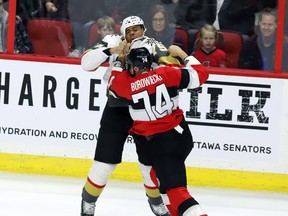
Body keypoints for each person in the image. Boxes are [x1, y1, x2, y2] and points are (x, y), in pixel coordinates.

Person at [80, 15, 180, 216]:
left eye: (138, 28)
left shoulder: (153, 44)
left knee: (149, 164)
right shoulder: (112, 40)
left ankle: (156, 202)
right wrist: (112, 51)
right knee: (104, 163)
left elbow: (171, 66)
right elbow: (86, 63)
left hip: (144, 110)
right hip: (117, 108)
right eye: (129, 29)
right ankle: (88, 202)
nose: (134, 32)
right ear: (123, 33)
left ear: (144, 30)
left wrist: (157, 62)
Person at [107, 45, 209, 216]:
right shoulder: (167, 73)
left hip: (164, 143)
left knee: (176, 192)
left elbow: (112, 85)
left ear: (133, 67)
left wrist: (119, 60)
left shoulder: (126, 84)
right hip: (180, 136)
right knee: (159, 180)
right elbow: (201, 75)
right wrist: (183, 55)